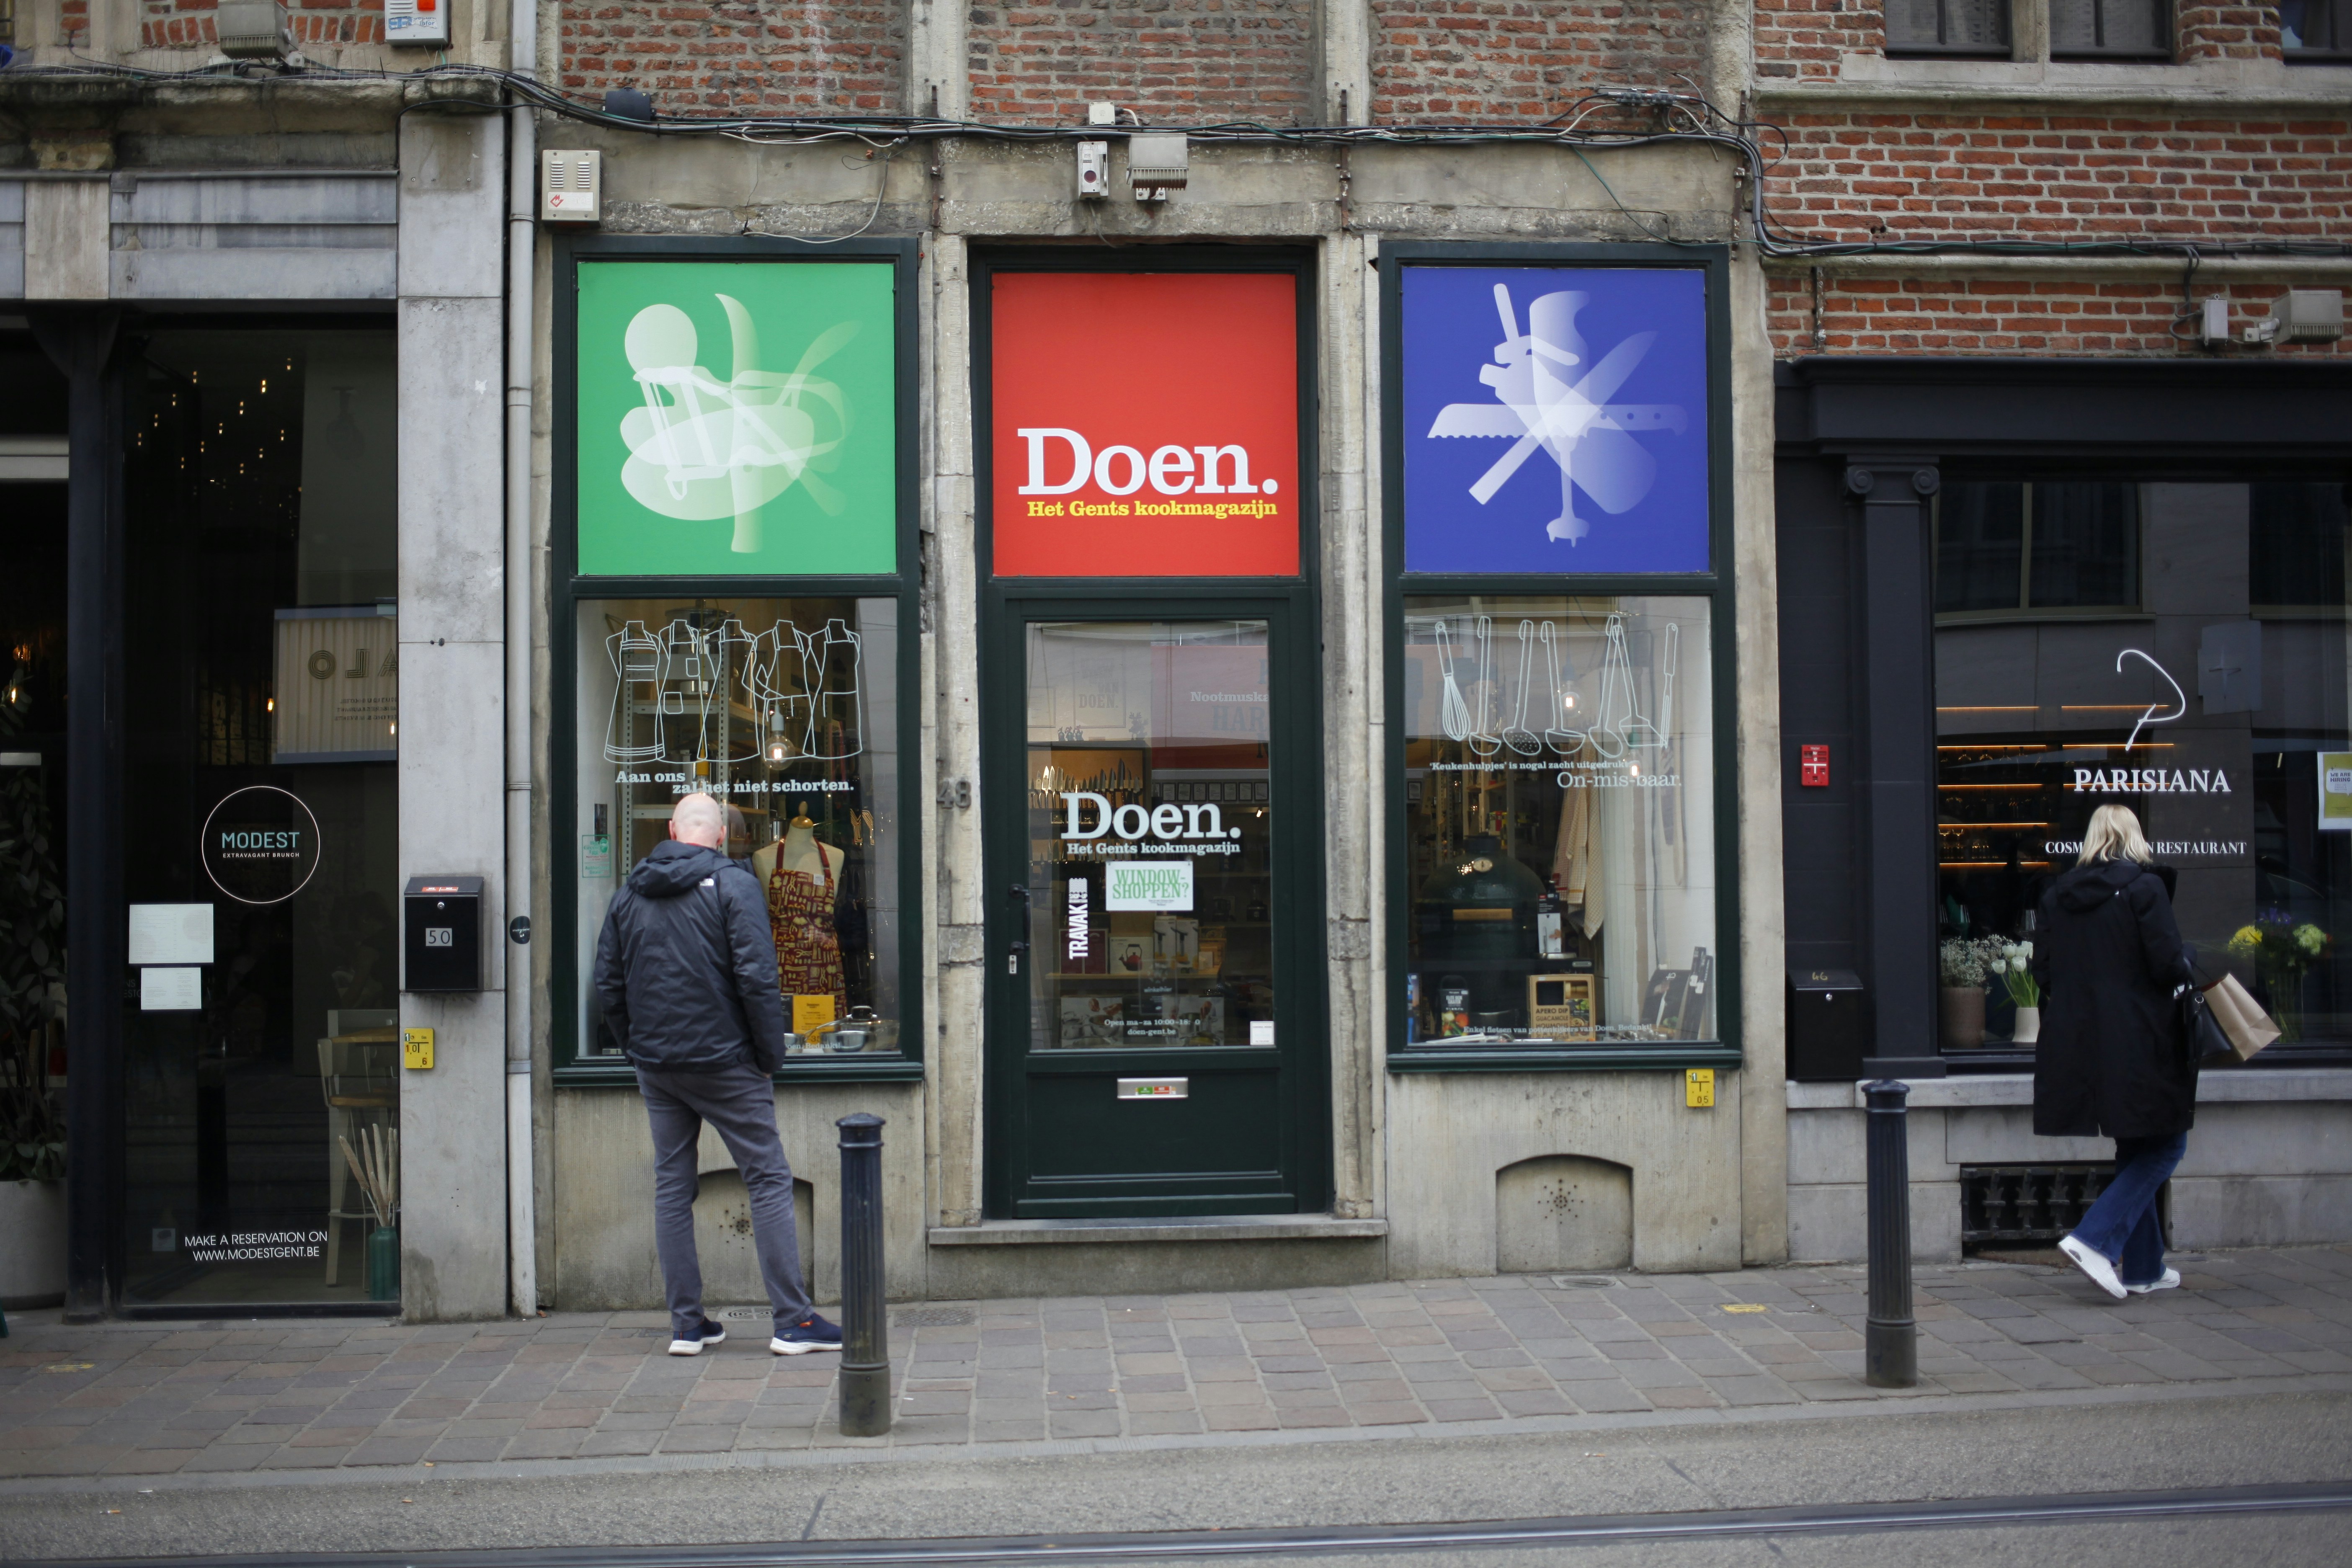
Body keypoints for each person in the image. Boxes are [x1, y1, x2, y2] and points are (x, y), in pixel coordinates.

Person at [592, 792, 843, 1357]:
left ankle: (687, 1325)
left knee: (672, 1185)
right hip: (726, 1060)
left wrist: (635, 1046)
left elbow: (607, 980)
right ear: (723, 837)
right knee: (769, 1178)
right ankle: (794, 1322)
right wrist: (767, 1055)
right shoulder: (733, 884)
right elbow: (757, 977)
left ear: (675, 832)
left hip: (659, 1065)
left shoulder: (630, 892)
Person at [2031, 804, 2199, 1300]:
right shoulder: (2144, 889)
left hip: (2082, 1042)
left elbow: (2043, 972)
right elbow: (2169, 965)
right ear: (2134, 837)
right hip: (2141, 1038)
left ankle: (2145, 1266)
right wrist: (2192, 956)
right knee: (2168, 1144)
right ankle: (2094, 1240)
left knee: (2136, 1145)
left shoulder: (2057, 897)